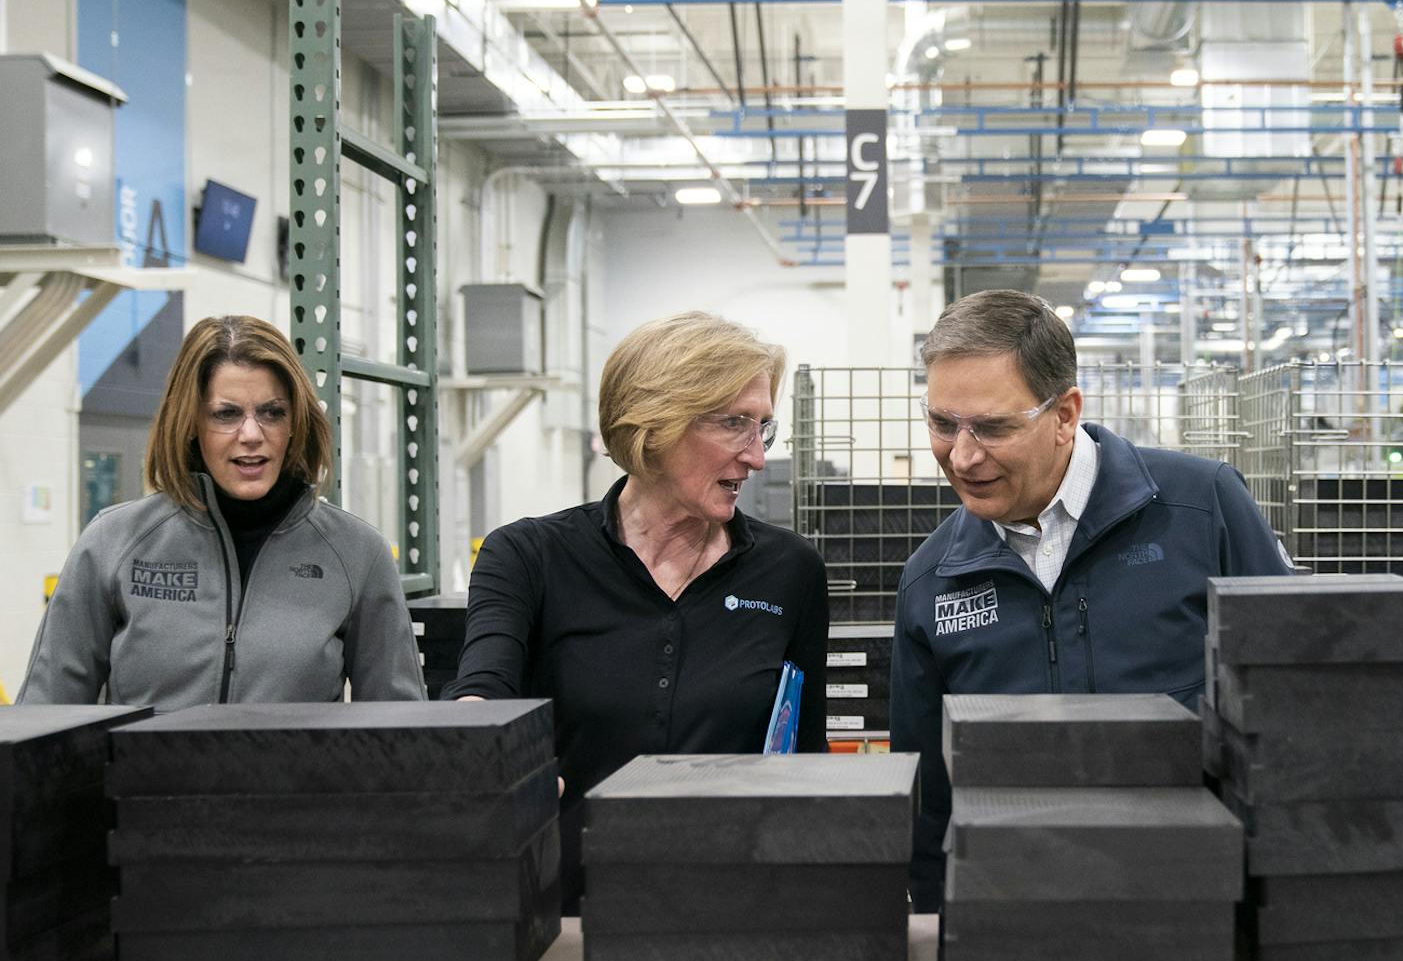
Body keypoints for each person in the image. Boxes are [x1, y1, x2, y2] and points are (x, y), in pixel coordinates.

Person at [890, 290, 1293, 909]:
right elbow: (927, 795)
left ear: (1065, 413)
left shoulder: (1201, 508)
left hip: (1202, 897)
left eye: (993, 427)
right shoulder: (931, 581)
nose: (962, 455)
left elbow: (1290, 697)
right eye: (943, 424)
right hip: (1022, 908)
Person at [448, 311, 829, 908]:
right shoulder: (529, 556)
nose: (757, 458)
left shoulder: (790, 572)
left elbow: (805, 758)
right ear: (658, 423)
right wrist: (485, 755)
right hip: (567, 915)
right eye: (735, 425)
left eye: (763, 428)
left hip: (738, 911)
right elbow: (484, 687)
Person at [19, 315, 423, 706]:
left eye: (272, 412)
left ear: (295, 422)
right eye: (226, 414)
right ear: (191, 422)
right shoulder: (114, 541)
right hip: (144, 778)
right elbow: (45, 715)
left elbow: (401, 735)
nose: (251, 434)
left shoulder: (357, 553)